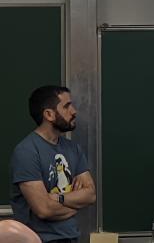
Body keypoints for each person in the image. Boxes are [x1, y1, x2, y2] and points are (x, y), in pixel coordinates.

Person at [10, 86, 97, 243]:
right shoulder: (27, 151)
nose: (74, 111)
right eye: (66, 106)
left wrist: (57, 198)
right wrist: (75, 204)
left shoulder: (73, 148)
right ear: (49, 114)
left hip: (72, 238)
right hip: (40, 240)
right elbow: (44, 209)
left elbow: (90, 195)